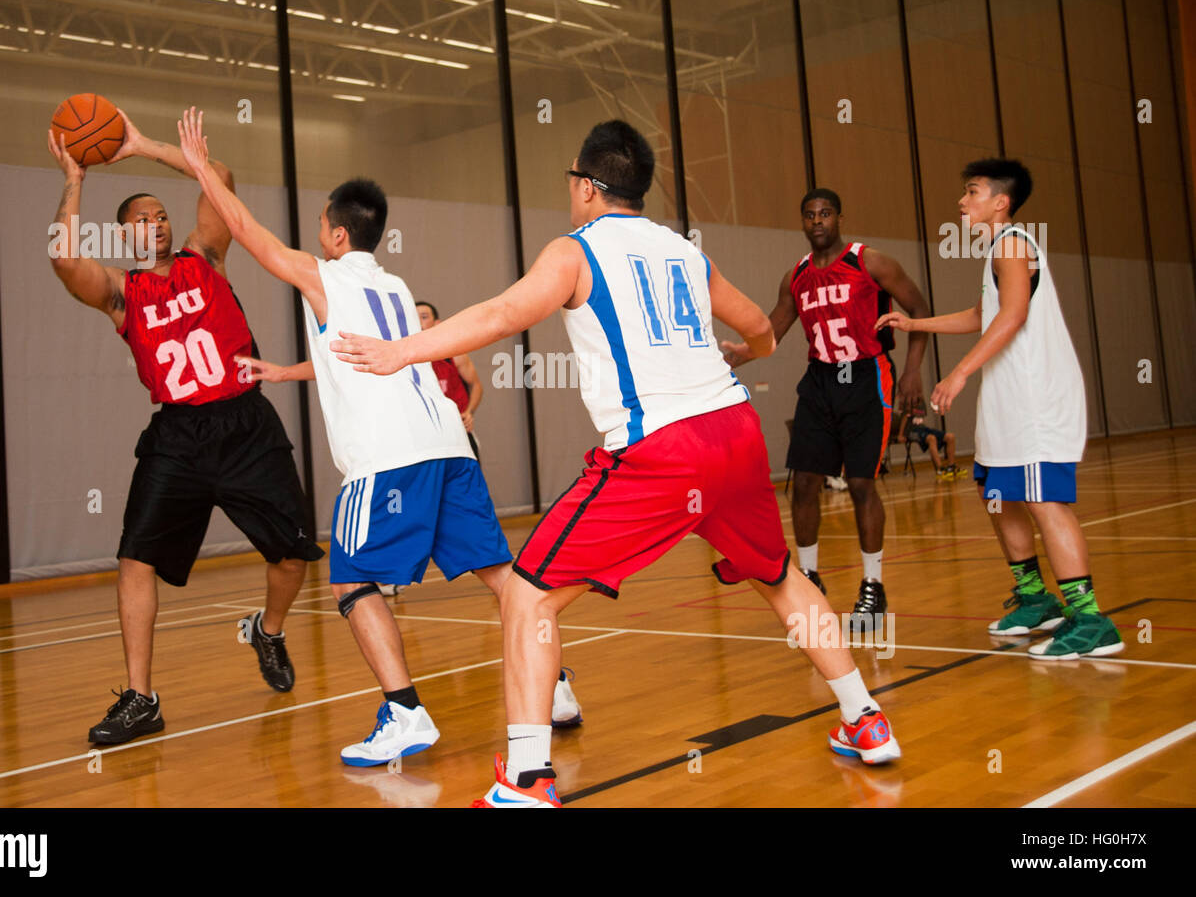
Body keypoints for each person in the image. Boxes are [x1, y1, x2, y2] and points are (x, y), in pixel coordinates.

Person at [332, 120, 902, 807]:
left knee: (528, 594)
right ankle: (865, 720)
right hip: (736, 432)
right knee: (779, 576)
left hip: (662, 449)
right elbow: (758, 325)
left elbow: (505, 312)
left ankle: (527, 777)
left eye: (571, 178)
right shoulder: (685, 252)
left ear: (588, 187)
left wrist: (403, 352)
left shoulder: (576, 252)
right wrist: (742, 354)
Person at [176, 109, 580, 766]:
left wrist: (200, 168)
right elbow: (355, 358)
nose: (314, 237)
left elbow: (248, 234)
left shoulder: (326, 277)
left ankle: (405, 713)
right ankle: (555, 686)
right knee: (503, 575)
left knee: (349, 579)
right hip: (449, 447)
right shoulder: (395, 287)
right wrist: (286, 369)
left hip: (389, 459)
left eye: (319, 227)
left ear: (336, 234)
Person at [46, 111, 323, 746]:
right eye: (143, 219)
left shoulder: (208, 256)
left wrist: (141, 144)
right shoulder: (122, 293)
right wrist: (74, 177)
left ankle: (268, 631)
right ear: (124, 238)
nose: (159, 222)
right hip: (179, 437)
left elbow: (217, 175)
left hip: (246, 422)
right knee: (135, 558)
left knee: (292, 554)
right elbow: (64, 259)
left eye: (161, 214)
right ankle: (141, 698)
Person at [876, 158, 1123, 659]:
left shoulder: (1012, 244)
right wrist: (913, 325)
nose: (962, 201)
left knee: (1043, 502)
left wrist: (960, 372)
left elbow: (1013, 315)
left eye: (971, 192)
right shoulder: (998, 248)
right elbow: (981, 314)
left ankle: (1091, 618)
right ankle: (1035, 601)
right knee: (1001, 496)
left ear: (1000, 202)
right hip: (1008, 399)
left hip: (1035, 399)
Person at [722, 189, 931, 626]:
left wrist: (913, 371)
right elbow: (772, 332)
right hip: (819, 381)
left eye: (825, 213)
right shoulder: (796, 276)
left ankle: (873, 586)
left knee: (860, 485)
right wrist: (737, 354)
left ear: (838, 217)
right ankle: (810, 581)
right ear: (802, 222)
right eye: (810, 215)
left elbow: (919, 309)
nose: (818, 221)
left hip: (866, 376)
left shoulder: (869, 262)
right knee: (803, 484)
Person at [415, 301, 484, 460]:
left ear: (437, 323)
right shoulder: (405, 360)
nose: (419, 322)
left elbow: (476, 385)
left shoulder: (454, 353)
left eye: (424, 317)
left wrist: (469, 412)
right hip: (427, 438)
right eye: (415, 317)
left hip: (459, 431)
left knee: (467, 482)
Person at [897, 406, 960, 478]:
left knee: (950, 437)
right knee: (931, 438)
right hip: (911, 431)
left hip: (922, 428)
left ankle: (951, 467)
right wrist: (900, 434)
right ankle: (940, 469)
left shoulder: (920, 402)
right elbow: (905, 418)